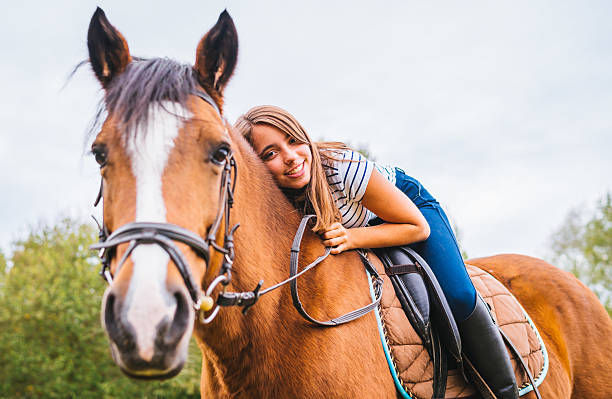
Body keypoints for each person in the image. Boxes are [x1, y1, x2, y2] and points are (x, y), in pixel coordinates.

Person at [234, 105, 518, 399]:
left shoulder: (340, 167)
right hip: (354, 229)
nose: (290, 157)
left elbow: (416, 228)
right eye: (270, 153)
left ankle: (504, 391)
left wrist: (352, 237)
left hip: (407, 212)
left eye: (293, 141)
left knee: (457, 294)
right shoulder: (274, 200)